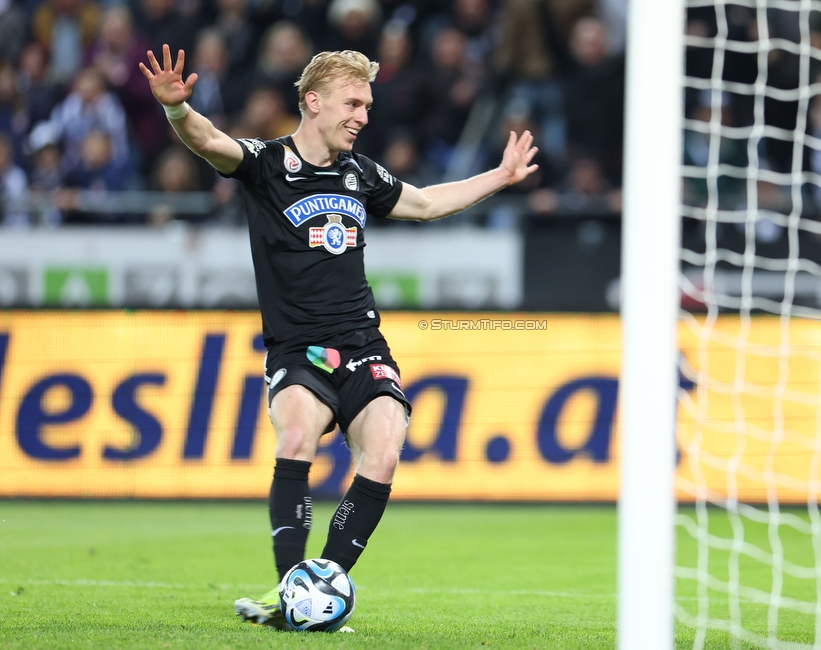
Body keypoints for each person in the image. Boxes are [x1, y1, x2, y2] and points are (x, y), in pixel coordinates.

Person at [138, 44, 538, 630]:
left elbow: (425, 203)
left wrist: (500, 177)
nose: (363, 115)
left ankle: (319, 588)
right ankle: (289, 589)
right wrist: (177, 112)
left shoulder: (361, 174)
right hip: (298, 350)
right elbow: (210, 141)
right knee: (297, 434)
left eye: (368, 105)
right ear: (313, 101)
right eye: (353, 102)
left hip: (362, 346)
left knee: (387, 444)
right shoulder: (266, 164)